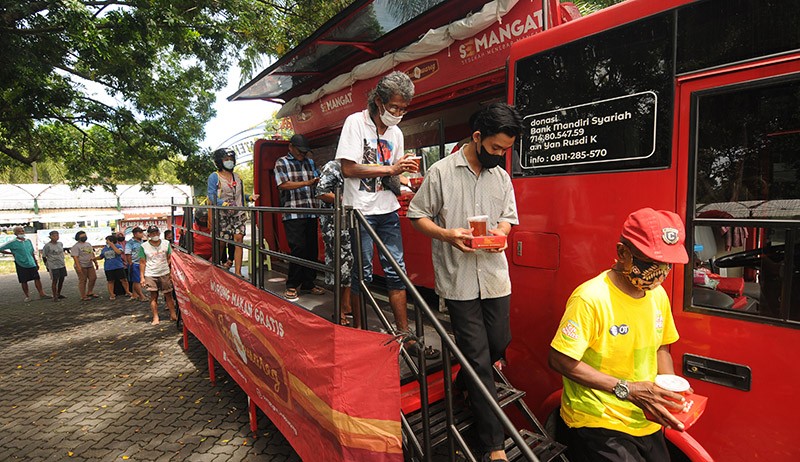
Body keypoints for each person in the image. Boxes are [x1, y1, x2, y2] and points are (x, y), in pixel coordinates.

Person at [407, 103, 522, 462]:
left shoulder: (501, 177)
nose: (500, 156)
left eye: (505, 150)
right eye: (496, 148)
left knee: (498, 343)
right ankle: (494, 445)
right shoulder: (441, 172)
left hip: (494, 276)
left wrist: (502, 232)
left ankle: (463, 383)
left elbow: (508, 218)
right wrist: (445, 234)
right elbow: (416, 215)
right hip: (458, 280)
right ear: (477, 137)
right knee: (477, 357)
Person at [548, 208, 691, 462]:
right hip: (598, 418)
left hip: (644, 416)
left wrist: (670, 389)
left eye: (667, 263)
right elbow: (559, 359)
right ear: (622, 253)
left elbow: (661, 348)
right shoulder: (590, 298)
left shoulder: (657, 295)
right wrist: (628, 389)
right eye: (650, 262)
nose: (659, 272)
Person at [335, 71, 432, 354]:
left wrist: (405, 177)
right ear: (378, 101)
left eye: (403, 109)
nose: (398, 113)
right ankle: (363, 337)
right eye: (394, 107)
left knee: (397, 271)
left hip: (387, 209)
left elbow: (392, 176)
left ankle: (404, 336)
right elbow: (349, 169)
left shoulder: (396, 132)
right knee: (362, 273)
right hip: (361, 211)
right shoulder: (355, 122)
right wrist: (392, 169)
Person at [274, 133, 324, 300]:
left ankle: (309, 283)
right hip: (293, 212)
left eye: (304, 152)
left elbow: (318, 180)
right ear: (291, 147)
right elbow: (282, 184)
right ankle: (292, 284)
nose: (302, 154)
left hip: (311, 211)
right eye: (300, 151)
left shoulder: (310, 162)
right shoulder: (282, 162)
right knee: (298, 248)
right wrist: (307, 183)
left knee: (311, 249)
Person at [207, 148, 259, 277]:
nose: (229, 162)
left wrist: (249, 198)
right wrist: (223, 204)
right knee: (221, 242)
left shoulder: (238, 177)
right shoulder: (214, 177)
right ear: (219, 161)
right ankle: (216, 264)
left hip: (238, 213)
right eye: (226, 159)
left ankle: (238, 272)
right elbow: (211, 196)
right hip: (222, 215)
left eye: (231, 159)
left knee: (238, 240)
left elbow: (239, 195)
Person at [315, 159, 355, 326]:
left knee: (350, 263)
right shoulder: (333, 166)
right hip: (334, 223)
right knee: (339, 264)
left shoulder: (357, 166)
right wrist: (345, 200)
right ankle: (338, 310)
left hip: (351, 221)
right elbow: (321, 192)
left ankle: (346, 305)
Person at [138, 225, 177, 325]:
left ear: (159, 233)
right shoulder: (144, 246)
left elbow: (170, 258)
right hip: (150, 273)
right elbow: (142, 262)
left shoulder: (166, 243)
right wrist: (142, 277)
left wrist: (171, 272)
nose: (154, 235)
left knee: (168, 294)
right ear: (149, 235)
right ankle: (155, 317)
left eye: (156, 233)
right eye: (152, 233)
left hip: (164, 272)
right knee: (153, 296)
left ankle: (173, 314)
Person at [0, 226, 48, 302]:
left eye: (22, 231)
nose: (22, 232)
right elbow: (1, 248)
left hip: (31, 262)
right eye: (19, 231)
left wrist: (35, 262)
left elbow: (32, 252)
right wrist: (11, 253)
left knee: (37, 278)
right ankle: (27, 296)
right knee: (23, 280)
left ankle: (42, 293)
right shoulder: (12, 243)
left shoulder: (28, 241)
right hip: (20, 263)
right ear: (15, 233)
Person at [96, 234, 132, 300]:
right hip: (108, 267)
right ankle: (112, 294)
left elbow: (118, 252)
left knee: (123, 279)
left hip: (118, 266)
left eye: (108, 240)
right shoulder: (105, 249)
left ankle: (127, 291)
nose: (106, 242)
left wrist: (112, 245)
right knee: (110, 281)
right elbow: (101, 256)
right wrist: (94, 258)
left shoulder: (118, 246)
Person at [70, 230, 99, 301]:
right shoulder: (76, 246)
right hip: (81, 265)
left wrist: (95, 262)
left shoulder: (88, 244)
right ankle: (83, 295)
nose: (84, 237)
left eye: (85, 235)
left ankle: (90, 291)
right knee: (83, 280)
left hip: (89, 264)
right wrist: (79, 267)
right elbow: (75, 257)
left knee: (93, 278)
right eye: (82, 236)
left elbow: (92, 253)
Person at [41, 230, 67, 302]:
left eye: (57, 235)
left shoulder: (60, 244)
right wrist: (47, 265)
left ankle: (59, 293)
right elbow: (44, 256)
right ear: (50, 237)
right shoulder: (47, 246)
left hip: (61, 263)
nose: (56, 237)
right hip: (53, 265)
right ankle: (54, 296)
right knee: (55, 280)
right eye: (54, 236)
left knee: (62, 279)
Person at [125, 227, 147, 301]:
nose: (142, 234)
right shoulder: (130, 243)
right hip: (135, 263)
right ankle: (141, 296)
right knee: (137, 280)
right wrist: (130, 263)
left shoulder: (142, 241)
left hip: (142, 262)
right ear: (135, 234)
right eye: (140, 233)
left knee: (136, 280)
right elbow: (128, 254)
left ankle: (135, 294)